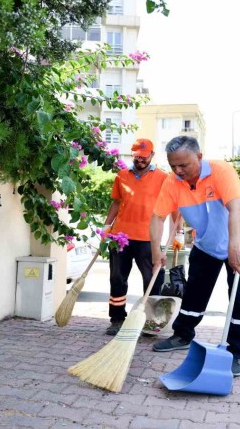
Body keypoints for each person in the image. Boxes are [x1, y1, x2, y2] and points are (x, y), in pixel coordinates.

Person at [148, 136, 240, 377]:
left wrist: (233, 249)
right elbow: (157, 217)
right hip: (206, 244)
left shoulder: (221, 171)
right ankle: (183, 335)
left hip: (239, 242)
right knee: (195, 293)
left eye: (183, 165)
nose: (178, 171)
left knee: (238, 297)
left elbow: (236, 210)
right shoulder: (172, 182)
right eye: (173, 166)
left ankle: (236, 352)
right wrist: (157, 250)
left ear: (199, 157)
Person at [102, 138, 171, 336]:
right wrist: (107, 226)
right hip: (120, 236)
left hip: (148, 238)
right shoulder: (122, 175)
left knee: (152, 280)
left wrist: (179, 232)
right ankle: (117, 319)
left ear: (152, 155)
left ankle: (151, 321)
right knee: (117, 278)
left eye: (143, 157)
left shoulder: (163, 178)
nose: (140, 160)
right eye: (136, 157)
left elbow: (173, 207)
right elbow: (115, 203)